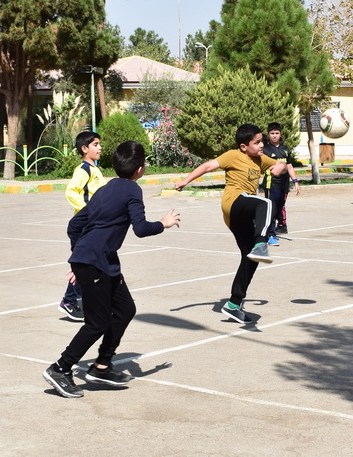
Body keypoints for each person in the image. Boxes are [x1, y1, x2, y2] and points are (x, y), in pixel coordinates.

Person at [42, 141, 180, 398]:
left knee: (126, 309)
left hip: (100, 262)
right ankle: (60, 368)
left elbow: (74, 226)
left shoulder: (104, 189)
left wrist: (79, 258)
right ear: (140, 169)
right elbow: (140, 228)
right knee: (97, 323)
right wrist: (164, 223)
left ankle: (102, 366)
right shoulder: (132, 191)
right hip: (95, 262)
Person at [174, 124, 287, 324]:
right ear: (244, 146)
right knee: (266, 203)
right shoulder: (233, 155)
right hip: (233, 202)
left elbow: (279, 165)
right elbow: (208, 166)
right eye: (257, 142)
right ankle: (262, 243)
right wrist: (186, 180)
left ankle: (234, 304)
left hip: (240, 216)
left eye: (262, 141)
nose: (262, 145)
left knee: (250, 257)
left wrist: (279, 167)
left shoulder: (260, 159)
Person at [60, 131, 107, 321]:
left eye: (99, 144)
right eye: (95, 144)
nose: (99, 147)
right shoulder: (83, 170)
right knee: (84, 264)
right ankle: (69, 301)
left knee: (91, 263)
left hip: (92, 225)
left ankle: (85, 300)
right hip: (83, 225)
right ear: (84, 149)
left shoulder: (95, 169)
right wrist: (88, 211)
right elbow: (71, 192)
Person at [260, 122, 300, 244]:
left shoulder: (285, 149)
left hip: (284, 185)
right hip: (271, 185)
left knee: (279, 209)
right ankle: (271, 235)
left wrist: (295, 181)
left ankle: (278, 227)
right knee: (271, 209)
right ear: (268, 134)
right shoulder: (265, 150)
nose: (274, 136)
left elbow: (289, 167)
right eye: (272, 133)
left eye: (277, 133)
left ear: (280, 134)